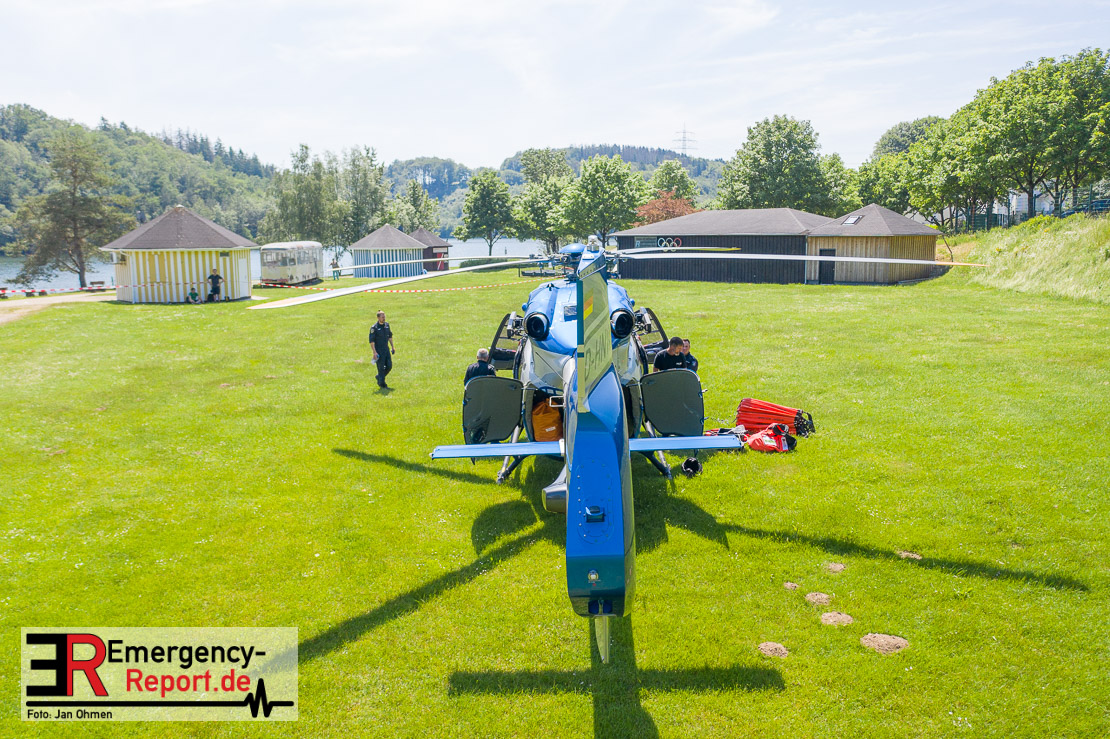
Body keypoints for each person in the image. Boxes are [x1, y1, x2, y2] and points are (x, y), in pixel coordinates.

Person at [368, 310, 395, 388]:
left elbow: (390, 336)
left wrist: (392, 346)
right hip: (379, 351)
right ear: (378, 318)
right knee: (381, 368)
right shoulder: (374, 328)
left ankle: (379, 377)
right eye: (382, 317)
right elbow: (372, 341)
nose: (384, 318)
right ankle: (382, 384)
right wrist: (374, 352)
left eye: (384, 317)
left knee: (389, 366)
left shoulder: (387, 325)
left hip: (386, 349)